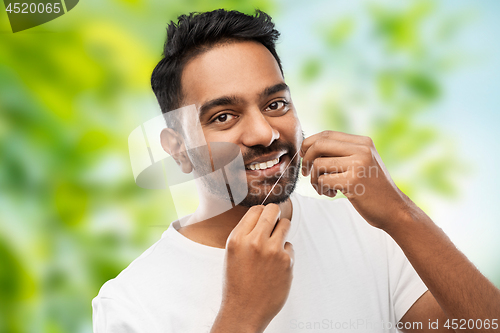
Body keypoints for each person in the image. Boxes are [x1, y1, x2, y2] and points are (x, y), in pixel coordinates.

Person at [92, 9, 500, 333]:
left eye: (275, 105)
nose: (264, 133)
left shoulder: (368, 231)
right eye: (224, 116)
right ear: (179, 150)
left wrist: (401, 215)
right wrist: (242, 316)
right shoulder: (131, 303)